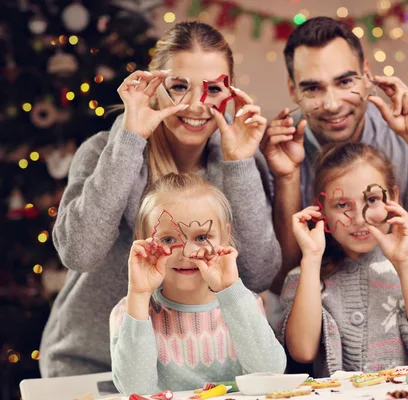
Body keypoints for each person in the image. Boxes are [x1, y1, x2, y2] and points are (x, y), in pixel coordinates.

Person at [40, 22, 281, 377]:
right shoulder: (103, 150)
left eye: (213, 88)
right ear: (154, 86)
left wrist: (240, 163)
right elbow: (79, 253)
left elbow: (258, 274)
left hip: (191, 369)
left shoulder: (240, 159)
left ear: (230, 93)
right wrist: (130, 138)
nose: (197, 105)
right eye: (179, 86)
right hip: (90, 362)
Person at [261, 16, 408, 295]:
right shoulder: (271, 149)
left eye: (345, 81)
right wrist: (287, 177)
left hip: (393, 306)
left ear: (366, 74)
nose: (332, 104)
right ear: (292, 89)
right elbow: (279, 283)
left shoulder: (401, 133)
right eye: (312, 88)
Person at [279, 142, 408, 377]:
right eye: (342, 205)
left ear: (392, 197)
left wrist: (403, 264)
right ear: (321, 209)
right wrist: (311, 260)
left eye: (372, 200)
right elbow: (302, 351)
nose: (359, 219)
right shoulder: (303, 277)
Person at [110, 173, 286, 395]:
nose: (187, 253)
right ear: (143, 239)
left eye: (202, 237)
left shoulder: (244, 303)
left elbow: (271, 373)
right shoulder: (129, 312)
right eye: (167, 239)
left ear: (224, 235)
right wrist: (138, 295)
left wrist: (230, 290)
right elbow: (135, 390)